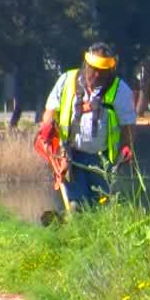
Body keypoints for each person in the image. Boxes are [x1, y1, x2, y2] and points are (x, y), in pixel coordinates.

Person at [39, 43, 136, 210]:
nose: (98, 74)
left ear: (110, 70)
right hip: (70, 156)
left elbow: (128, 126)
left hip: (103, 160)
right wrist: (47, 130)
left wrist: (127, 147)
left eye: (103, 71)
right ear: (86, 65)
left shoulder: (120, 90)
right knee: (75, 206)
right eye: (94, 69)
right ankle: (72, 222)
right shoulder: (67, 81)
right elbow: (50, 111)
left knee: (101, 205)